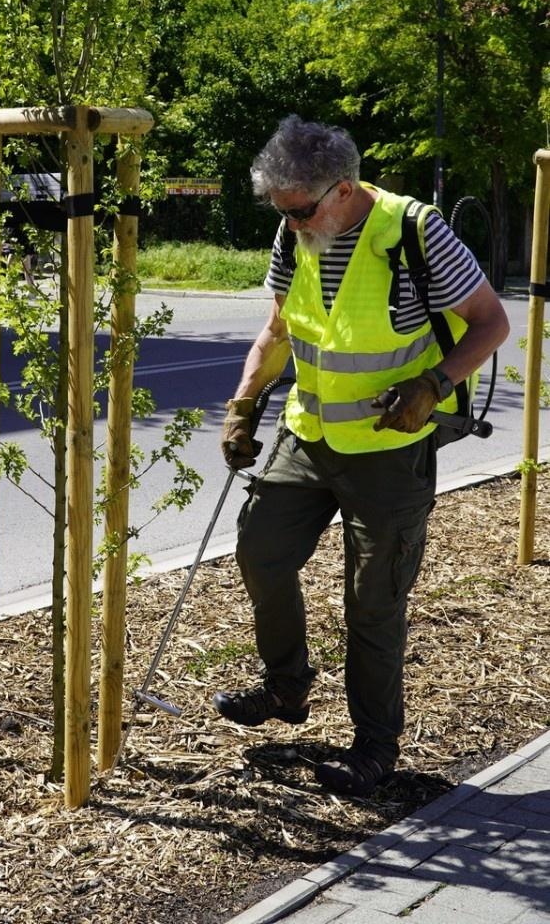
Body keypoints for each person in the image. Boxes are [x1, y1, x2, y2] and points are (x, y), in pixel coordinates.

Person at [216, 115, 509, 796]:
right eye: (280, 212)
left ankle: (375, 748)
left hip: (390, 449)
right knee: (261, 552)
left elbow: (492, 322)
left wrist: (435, 384)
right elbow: (278, 331)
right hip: (309, 434)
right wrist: (242, 403)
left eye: (299, 210)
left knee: (372, 604)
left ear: (343, 189)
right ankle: (286, 688)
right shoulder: (298, 236)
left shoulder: (414, 232)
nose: (290, 224)